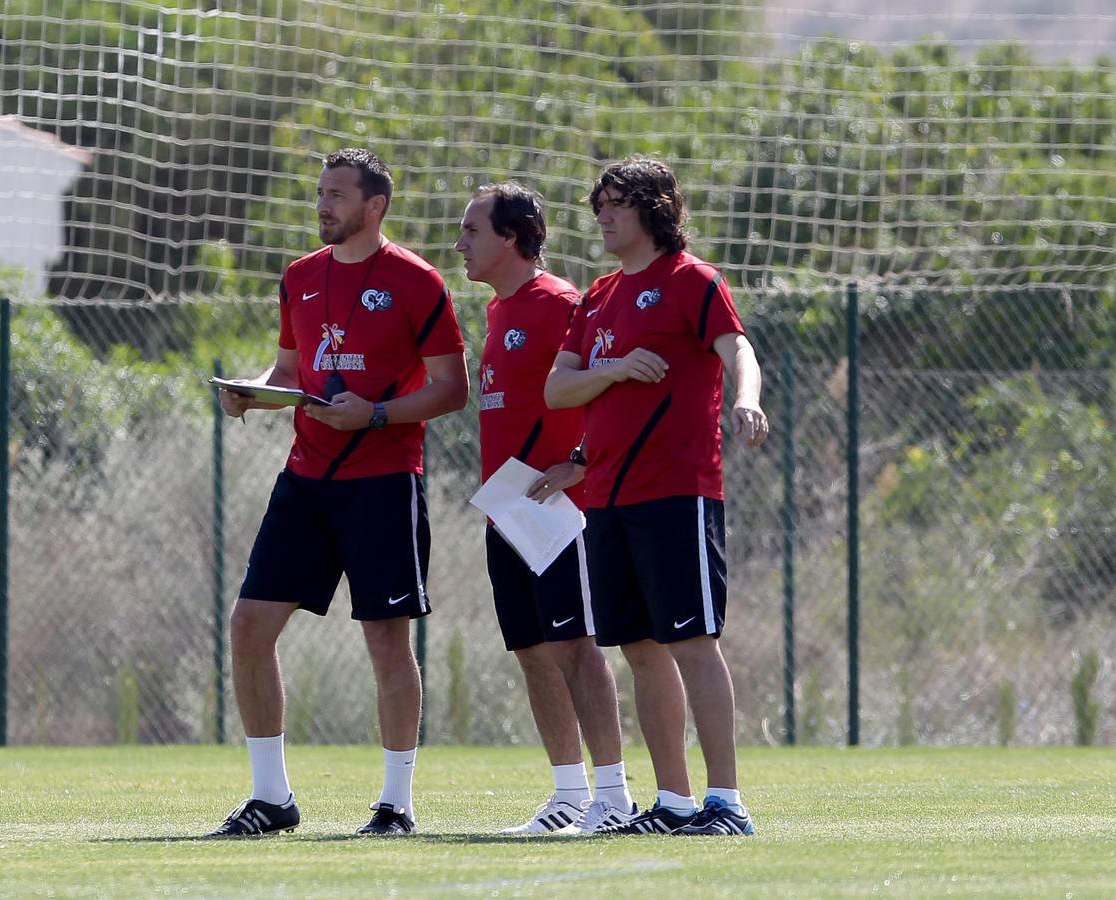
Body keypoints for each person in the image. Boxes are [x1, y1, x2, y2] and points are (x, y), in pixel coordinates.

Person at [207, 148, 468, 837]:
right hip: (306, 476)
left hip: (382, 482)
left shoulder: (417, 281)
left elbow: (450, 387)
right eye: (319, 193)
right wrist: (253, 395)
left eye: (337, 195)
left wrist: (375, 414)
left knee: (386, 640)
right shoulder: (299, 276)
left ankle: (394, 805)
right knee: (248, 626)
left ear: (373, 206)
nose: (323, 205)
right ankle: (270, 799)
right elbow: (291, 367)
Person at [544, 156, 770, 836]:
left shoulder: (691, 280)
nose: (602, 217)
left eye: (614, 204)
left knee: (693, 642)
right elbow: (558, 390)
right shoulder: (597, 295)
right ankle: (671, 802)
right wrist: (610, 369)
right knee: (640, 650)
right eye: (598, 207)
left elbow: (738, 348)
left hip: (676, 492)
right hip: (606, 498)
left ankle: (725, 802)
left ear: (652, 208)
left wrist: (747, 399)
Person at [452, 181, 636, 835]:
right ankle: (567, 794)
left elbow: (611, 389)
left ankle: (613, 797)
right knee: (533, 649)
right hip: (509, 509)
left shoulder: (560, 302)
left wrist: (581, 461)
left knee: (575, 648)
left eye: (472, 230)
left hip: (562, 509)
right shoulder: (498, 312)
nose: (460, 244)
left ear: (510, 237)